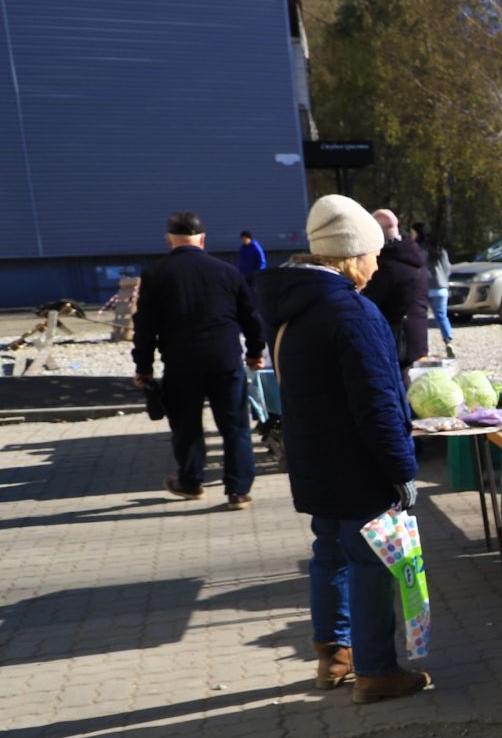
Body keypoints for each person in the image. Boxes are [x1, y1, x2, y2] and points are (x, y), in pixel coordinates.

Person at [255, 195, 429, 703]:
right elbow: (378, 403)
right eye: (373, 255)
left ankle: (334, 656)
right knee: (370, 563)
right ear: (351, 256)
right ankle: (376, 671)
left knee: (329, 553)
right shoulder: (353, 312)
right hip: (357, 467)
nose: (377, 266)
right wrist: (402, 469)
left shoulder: (292, 304)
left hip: (314, 460)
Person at [133, 210, 264, 509]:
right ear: (203, 238)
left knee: (186, 426)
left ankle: (191, 483)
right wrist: (255, 352)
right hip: (225, 360)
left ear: (168, 239)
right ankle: (238, 491)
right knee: (235, 427)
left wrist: (143, 366)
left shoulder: (155, 274)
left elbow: (145, 324)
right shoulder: (227, 271)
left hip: (181, 363)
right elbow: (251, 316)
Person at [363, 208, 430, 366]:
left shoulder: (388, 264)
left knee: (399, 382)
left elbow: (371, 298)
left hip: (397, 336)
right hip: (417, 331)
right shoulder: (414, 256)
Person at [411, 222, 454, 358]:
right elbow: (448, 268)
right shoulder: (440, 249)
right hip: (442, 288)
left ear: (417, 233)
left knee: (422, 318)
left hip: (425, 287)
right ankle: (448, 341)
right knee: (441, 316)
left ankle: (424, 348)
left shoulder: (418, 249)